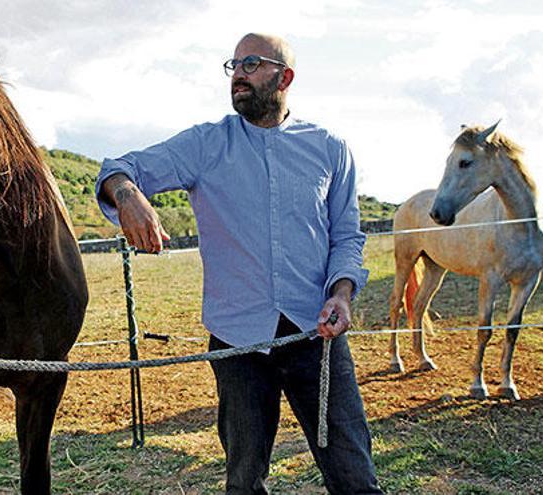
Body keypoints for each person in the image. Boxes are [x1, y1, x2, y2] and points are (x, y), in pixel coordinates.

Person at [95, 33, 382, 494]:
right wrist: (129, 197)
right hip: (238, 342)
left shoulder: (330, 149)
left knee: (355, 476)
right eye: (233, 67)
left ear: (284, 77)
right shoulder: (205, 144)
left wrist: (342, 293)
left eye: (251, 64)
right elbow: (118, 166)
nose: (239, 76)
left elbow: (347, 236)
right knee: (244, 481)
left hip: (317, 334)